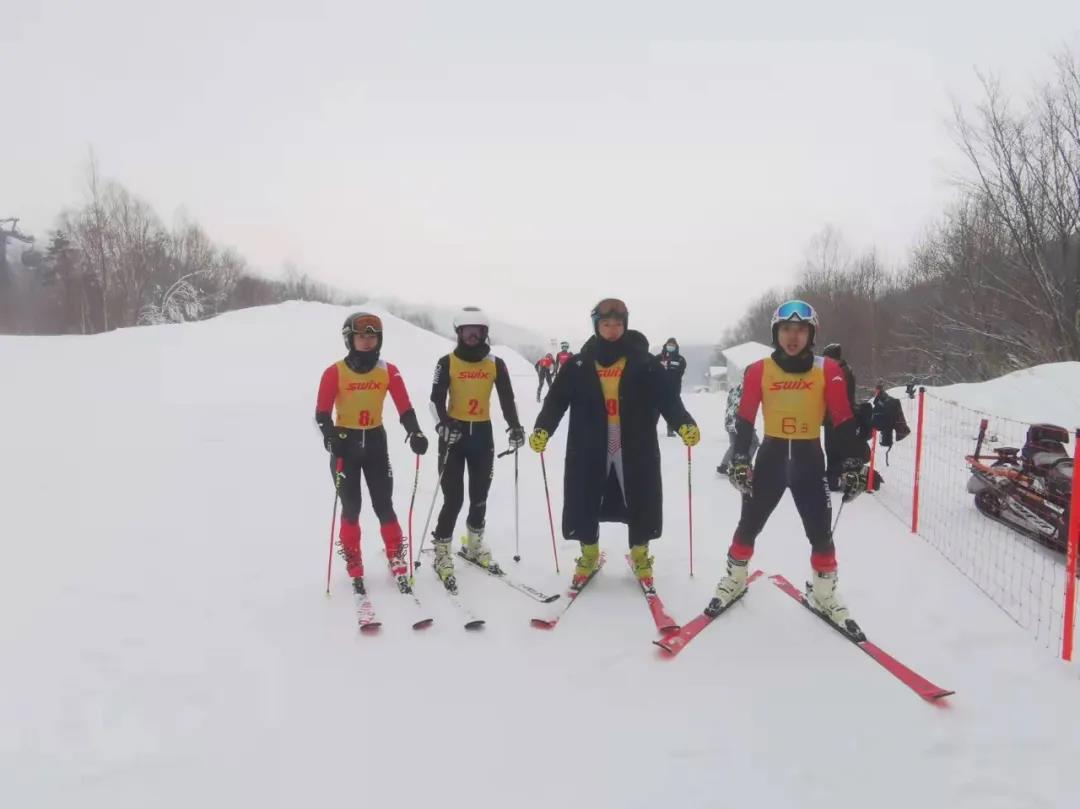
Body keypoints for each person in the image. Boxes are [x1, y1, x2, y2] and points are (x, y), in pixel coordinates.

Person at [709, 300, 869, 635]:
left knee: (820, 532)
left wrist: (855, 462)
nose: (792, 336)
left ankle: (824, 593)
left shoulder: (828, 370)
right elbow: (744, 419)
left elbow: (842, 419)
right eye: (785, 329)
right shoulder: (758, 370)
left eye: (800, 330)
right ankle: (734, 579)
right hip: (771, 458)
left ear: (811, 334)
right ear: (775, 333)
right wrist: (740, 459)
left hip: (810, 462)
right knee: (749, 524)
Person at [528, 298, 699, 590]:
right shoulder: (579, 363)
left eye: (618, 324)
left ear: (625, 325)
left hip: (634, 442)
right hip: (589, 443)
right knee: (584, 496)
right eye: (605, 324)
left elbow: (668, 398)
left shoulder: (645, 362)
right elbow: (556, 399)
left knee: (641, 496)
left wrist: (683, 422)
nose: (612, 330)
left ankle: (641, 554)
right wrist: (543, 427)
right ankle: (589, 553)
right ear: (596, 326)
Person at [315, 312, 429, 596]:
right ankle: (353, 562)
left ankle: (396, 556)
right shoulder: (334, 372)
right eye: (361, 336)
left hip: (376, 444)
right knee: (351, 508)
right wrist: (331, 439)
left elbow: (405, 408)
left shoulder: (388, 370)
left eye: (372, 336)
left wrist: (415, 432)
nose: (367, 342)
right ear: (349, 339)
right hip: (346, 445)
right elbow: (321, 415)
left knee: (384, 505)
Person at [429, 306, 525, 589]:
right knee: (453, 498)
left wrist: (514, 426)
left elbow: (507, 398)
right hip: (454, 436)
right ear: (458, 333)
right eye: (467, 332)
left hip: (482, 435)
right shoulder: (446, 362)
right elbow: (434, 400)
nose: (472, 338)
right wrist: (444, 425)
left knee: (479, 495)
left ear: (485, 334)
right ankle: (442, 552)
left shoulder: (496, 363)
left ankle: (473, 545)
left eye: (478, 332)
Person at [717, 381, 759, 474]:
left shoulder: (735, 389)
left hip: (729, 420)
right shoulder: (748, 389)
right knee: (754, 442)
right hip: (739, 421)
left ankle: (724, 466)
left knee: (734, 444)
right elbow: (743, 406)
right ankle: (744, 465)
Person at [657, 337, 686, 436]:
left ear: (676, 347)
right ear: (666, 345)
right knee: (653, 411)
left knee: (672, 411)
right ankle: (650, 429)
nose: (671, 346)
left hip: (673, 391)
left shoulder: (680, 359)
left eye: (673, 345)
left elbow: (679, 374)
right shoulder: (658, 358)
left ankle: (671, 429)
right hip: (658, 390)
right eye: (669, 344)